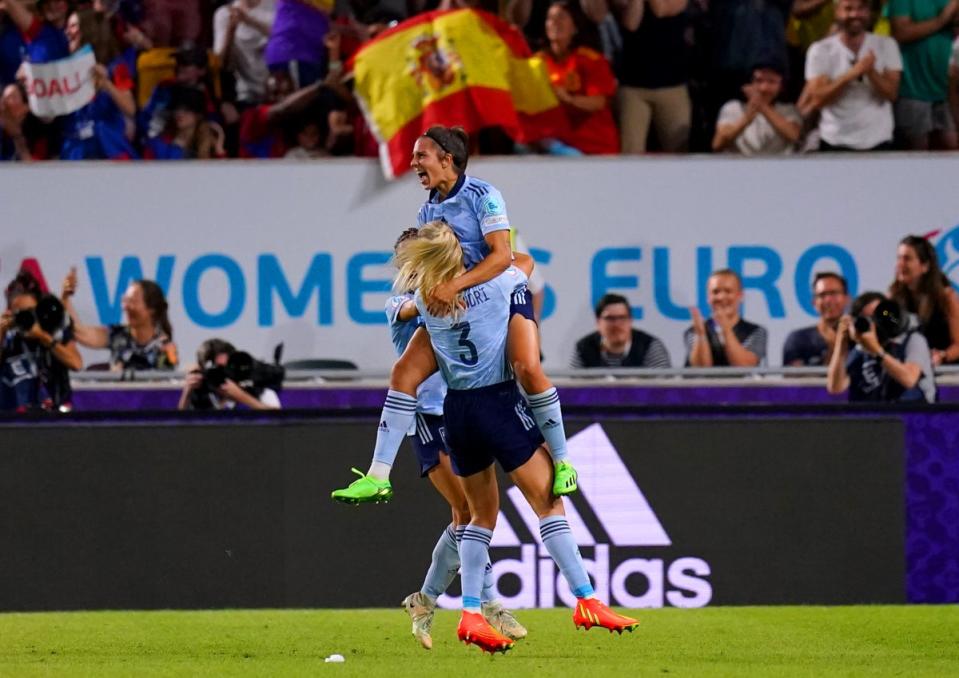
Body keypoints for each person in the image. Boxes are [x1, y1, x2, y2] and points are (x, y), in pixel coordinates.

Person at [394, 221, 639, 654]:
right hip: (500, 404)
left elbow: (404, 374)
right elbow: (521, 264)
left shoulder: (426, 302)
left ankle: (471, 612)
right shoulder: (499, 285)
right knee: (547, 502)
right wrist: (494, 252)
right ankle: (586, 599)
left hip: (457, 410)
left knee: (478, 518)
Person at [331, 125, 578, 504]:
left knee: (528, 369)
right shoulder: (428, 206)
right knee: (403, 373)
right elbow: (440, 265)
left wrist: (454, 287)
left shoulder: (484, 196)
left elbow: (502, 257)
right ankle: (378, 474)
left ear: (447, 159)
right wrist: (436, 290)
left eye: (420, 155)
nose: (413, 163)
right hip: (462, 308)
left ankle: (562, 461)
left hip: (502, 293)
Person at [346, 228, 525, 649]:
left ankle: (425, 600)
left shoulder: (457, 291)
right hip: (426, 419)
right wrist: (452, 290)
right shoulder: (403, 304)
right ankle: (489, 601)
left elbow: (519, 266)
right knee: (467, 510)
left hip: (462, 411)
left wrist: (486, 266)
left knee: (467, 515)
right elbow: (413, 309)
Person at [801, 0, 902, 151]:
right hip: (834, 140)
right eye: (848, 9)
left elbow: (892, 94)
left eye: (861, 8)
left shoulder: (887, 44)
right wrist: (852, 74)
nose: (855, 14)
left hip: (878, 140)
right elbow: (817, 100)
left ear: (868, 12)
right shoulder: (820, 49)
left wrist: (871, 71)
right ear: (837, 12)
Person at [534, 0, 619, 155]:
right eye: (550, 18)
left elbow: (599, 102)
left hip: (594, 147)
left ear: (575, 27)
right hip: (555, 146)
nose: (555, 22)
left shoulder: (591, 60)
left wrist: (568, 99)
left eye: (561, 17)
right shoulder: (537, 62)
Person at [827, 291, 936, 402]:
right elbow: (835, 388)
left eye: (880, 315)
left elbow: (909, 379)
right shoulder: (859, 350)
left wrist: (876, 351)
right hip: (874, 416)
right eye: (868, 320)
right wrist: (841, 343)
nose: (876, 324)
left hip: (914, 415)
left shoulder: (913, 340)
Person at [60, 7, 139, 160]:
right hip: (76, 149)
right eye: (67, 26)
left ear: (88, 29)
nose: (67, 31)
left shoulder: (116, 67)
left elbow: (130, 109)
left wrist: (106, 84)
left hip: (107, 146)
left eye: (73, 26)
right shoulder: (63, 68)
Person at [61, 269, 178, 371]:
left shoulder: (165, 349)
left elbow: (165, 389)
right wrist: (65, 298)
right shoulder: (118, 335)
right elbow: (78, 332)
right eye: (125, 301)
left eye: (133, 301)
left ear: (151, 309)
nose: (125, 307)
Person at [615, 0, 691, 153]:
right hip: (633, 85)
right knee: (631, 151)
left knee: (678, 151)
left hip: (672, 84)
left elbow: (660, 9)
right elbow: (631, 23)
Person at [1, 270, 82, 411]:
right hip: (14, 422)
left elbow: (76, 363)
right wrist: (1, 330)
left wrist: (44, 338)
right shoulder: (8, 339)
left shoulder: (53, 332)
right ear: (10, 313)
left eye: (32, 312)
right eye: (21, 314)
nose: (28, 319)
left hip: (56, 419)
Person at [888, 0, 959, 150]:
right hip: (914, 90)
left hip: (948, 89)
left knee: (952, 148)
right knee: (916, 153)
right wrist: (942, 19)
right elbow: (901, 32)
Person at [889, 235, 959, 365]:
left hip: (945, 376)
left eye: (907, 259)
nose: (900, 264)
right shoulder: (893, 297)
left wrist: (942, 355)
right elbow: (889, 323)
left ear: (925, 266)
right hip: (908, 372)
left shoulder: (946, 297)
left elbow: (958, 345)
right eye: (899, 258)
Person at [712, 62, 801, 155]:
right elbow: (717, 144)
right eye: (759, 81)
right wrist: (746, 119)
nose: (764, 88)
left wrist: (762, 106)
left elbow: (793, 135)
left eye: (771, 82)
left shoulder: (789, 110)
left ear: (781, 87)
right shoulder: (733, 108)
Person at [685, 269, 767, 367]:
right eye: (715, 292)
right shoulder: (694, 332)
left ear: (740, 296)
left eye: (728, 291)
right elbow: (699, 370)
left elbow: (745, 367)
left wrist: (726, 330)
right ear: (708, 297)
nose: (721, 297)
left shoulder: (756, 332)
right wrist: (701, 335)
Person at [571, 293, 670, 367]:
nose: (617, 324)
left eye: (622, 318)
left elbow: (665, 390)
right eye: (610, 318)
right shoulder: (583, 348)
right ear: (598, 323)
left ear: (631, 320)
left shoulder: (650, 347)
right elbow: (572, 390)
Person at [178, 338, 281, 410]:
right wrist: (186, 394)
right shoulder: (201, 393)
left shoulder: (257, 387)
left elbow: (279, 421)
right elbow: (180, 432)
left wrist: (242, 397)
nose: (224, 374)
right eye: (218, 370)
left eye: (227, 368)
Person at [213, 0, 276, 107]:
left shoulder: (277, 6)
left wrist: (249, 20)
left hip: (278, 90)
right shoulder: (224, 14)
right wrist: (231, 29)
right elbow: (222, 63)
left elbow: (286, 39)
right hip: (246, 93)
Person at [783, 272, 851, 366]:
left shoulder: (859, 338)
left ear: (847, 298)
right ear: (814, 302)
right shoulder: (798, 339)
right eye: (822, 295)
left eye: (834, 293)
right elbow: (792, 377)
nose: (828, 300)